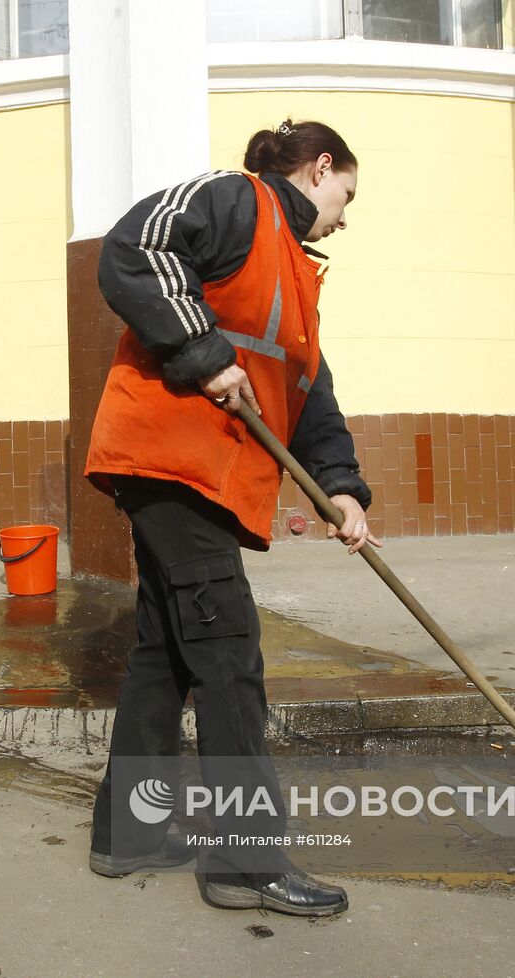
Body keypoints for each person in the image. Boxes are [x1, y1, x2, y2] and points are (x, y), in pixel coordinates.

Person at [83, 120, 379, 917]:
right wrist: (202, 352)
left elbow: (308, 390)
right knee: (229, 658)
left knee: (169, 653)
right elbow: (134, 246)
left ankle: (128, 834)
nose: (344, 217)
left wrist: (343, 490)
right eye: (345, 195)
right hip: (174, 463)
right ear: (321, 169)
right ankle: (244, 865)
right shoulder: (234, 203)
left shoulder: (295, 272)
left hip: (203, 476)